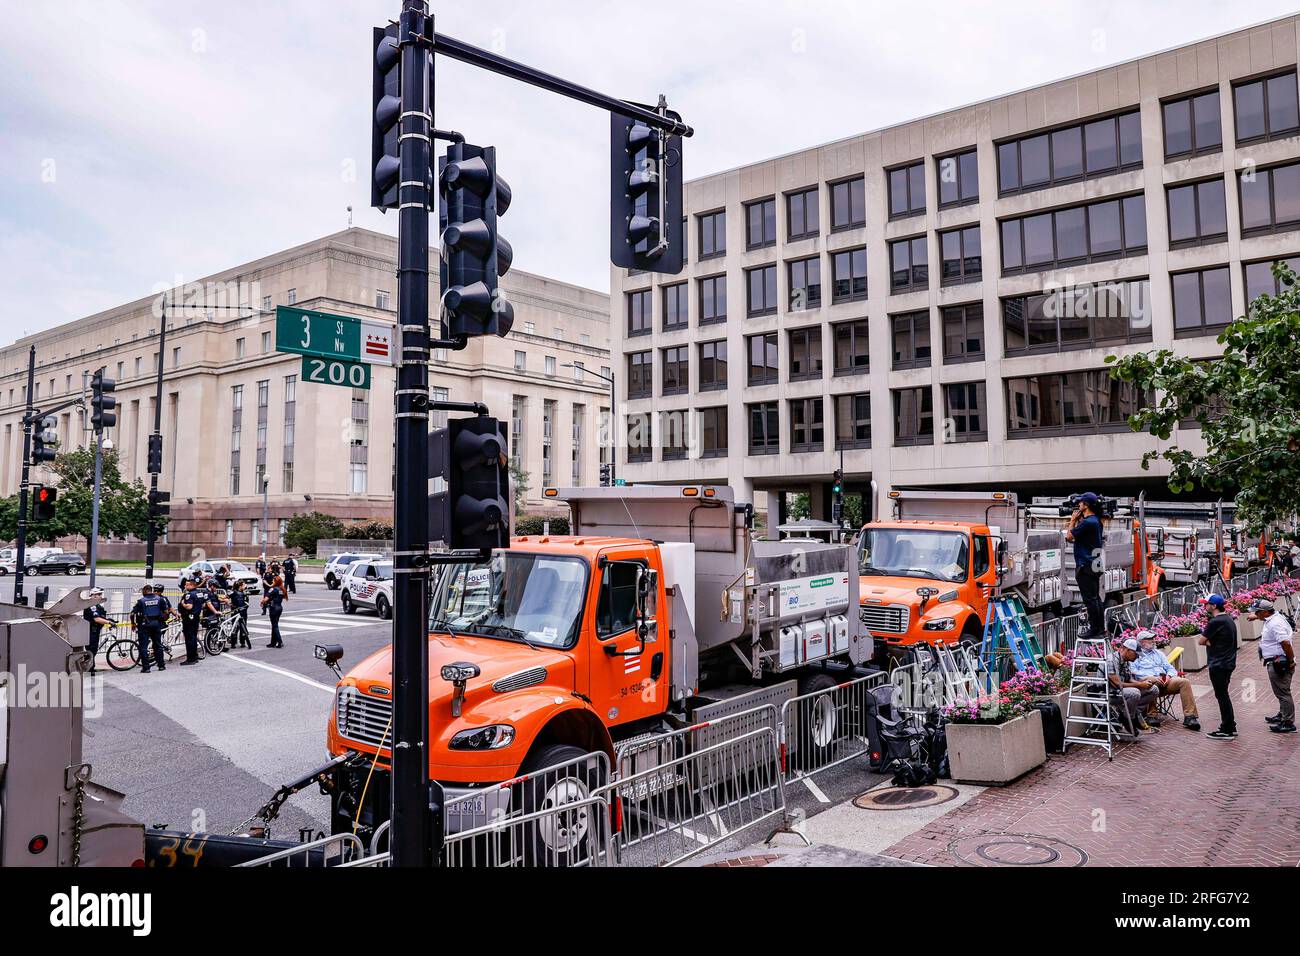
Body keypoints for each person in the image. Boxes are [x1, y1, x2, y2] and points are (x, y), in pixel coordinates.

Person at [1130, 630, 1200, 731]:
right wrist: (1153, 677)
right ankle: (1151, 715)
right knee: (1151, 681)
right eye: (1149, 639)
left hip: (1165, 682)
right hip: (1148, 683)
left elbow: (1170, 668)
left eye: (1153, 639)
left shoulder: (1159, 653)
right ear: (1141, 642)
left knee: (1184, 682)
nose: (1153, 641)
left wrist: (1168, 676)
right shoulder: (1136, 655)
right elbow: (1134, 672)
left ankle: (1190, 717)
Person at [1252, 599, 1296, 734]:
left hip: (1280, 663)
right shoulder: (1272, 618)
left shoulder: (1275, 623)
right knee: (1280, 691)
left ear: (1265, 612)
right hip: (1275, 661)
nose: (1256, 614)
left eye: (1257, 612)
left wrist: (1290, 661)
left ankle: (1288, 722)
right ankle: (1282, 714)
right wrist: (1255, 617)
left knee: (1283, 693)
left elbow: (1285, 643)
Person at [1065, 493, 1106, 638]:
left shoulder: (1088, 522)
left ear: (1086, 505)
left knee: (1089, 599)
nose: (1079, 504)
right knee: (1096, 598)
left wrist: (1072, 520)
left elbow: (1069, 536)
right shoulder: (1096, 521)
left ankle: (1094, 629)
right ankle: (1100, 628)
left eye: (1081, 502)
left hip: (1085, 564)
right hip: (1095, 562)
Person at [1199, 594, 1239, 740]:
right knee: (1223, 695)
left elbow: (1201, 641)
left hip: (1218, 664)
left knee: (1221, 696)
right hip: (1228, 663)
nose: (1205, 607)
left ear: (1214, 606)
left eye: (1206, 604)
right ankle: (1230, 726)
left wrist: (1211, 643)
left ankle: (1226, 728)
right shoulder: (1228, 619)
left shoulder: (1215, 622)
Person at [1106, 637, 1160, 733]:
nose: (1137, 657)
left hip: (1120, 691)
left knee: (1154, 689)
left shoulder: (1126, 661)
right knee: (1134, 693)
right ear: (1127, 650)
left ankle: (1132, 714)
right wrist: (1139, 685)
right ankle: (1128, 719)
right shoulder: (1111, 660)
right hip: (1109, 693)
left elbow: (1129, 679)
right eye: (1136, 654)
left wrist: (1142, 684)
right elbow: (1116, 684)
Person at [130, 584, 172, 673]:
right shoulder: (159, 599)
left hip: (144, 625)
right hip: (156, 624)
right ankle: (161, 665)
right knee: (157, 644)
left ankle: (146, 667)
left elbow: (132, 613)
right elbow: (166, 612)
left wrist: (133, 623)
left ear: (144, 591)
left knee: (143, 646)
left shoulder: (141, 601)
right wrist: (161, 619)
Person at [177, 579, 217, 666]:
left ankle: (191, 659)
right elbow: (203, 604)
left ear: (191, 585)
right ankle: (194, 657)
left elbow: (189, 607)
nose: (185, 586)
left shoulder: (189, 595)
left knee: (189, 639)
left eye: (187, 585)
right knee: (193, 638)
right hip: (195, 618)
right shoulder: (199, 593)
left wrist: (183, 604)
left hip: (189, 618)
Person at [82, 590, 113, 675]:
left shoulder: (95, 605)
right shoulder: (92, 606)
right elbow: (97, 619)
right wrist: (109, 622)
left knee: (92, 650)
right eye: (99, 595)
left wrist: (108, 620)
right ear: (94, 595)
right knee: (92, 650)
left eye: (100, 595)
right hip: (91, 631)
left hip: (93, 631)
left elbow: (100, 616)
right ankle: (89, 668)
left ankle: (90, 667)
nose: (100, 596)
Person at [261, 576, 288, 648]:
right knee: (274, 625)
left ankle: (280, 642)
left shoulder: (273, 589)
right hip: (279, 607)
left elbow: (265, 599)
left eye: (273, 580)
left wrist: (262, 602)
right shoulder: (282, 589)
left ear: (276, 582)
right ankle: (273, 642)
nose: (272, 582)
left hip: (273, 608)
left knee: (275, 625)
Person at [229, 580, 251, 649]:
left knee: (240, 627)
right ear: (240, 586)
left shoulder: (243, 593)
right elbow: (228, 599)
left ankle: (241, 642)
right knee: (236, 627)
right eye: (244, 585)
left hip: (241, 612)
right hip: (237, 612)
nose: (245, 586)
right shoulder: (235, 593)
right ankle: (235, 642)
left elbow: (246, 602)